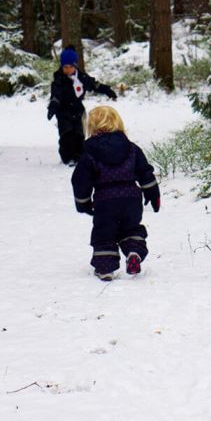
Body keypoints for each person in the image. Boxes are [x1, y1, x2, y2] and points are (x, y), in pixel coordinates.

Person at [71, 105, 160, 281]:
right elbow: (144, 171)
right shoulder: (131, 148)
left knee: (105, 232)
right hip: (131, 198)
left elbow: (80, 179)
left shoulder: (90, 152)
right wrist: (152, 193)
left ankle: (105, 268)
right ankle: (133, 251)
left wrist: (83, 202)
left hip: (105, 200)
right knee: (131, 229)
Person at [47, 46, 118, 165]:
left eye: (70, 67)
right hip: (63, 112)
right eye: (65, 67)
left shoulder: (81, 78)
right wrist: (52, 107)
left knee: (79, 134)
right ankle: (67, 157)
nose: (67, 70)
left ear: (75, 66)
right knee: (66, 134)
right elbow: (56, 96)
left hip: (78, 110)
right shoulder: (58, 80)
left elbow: (95, 85)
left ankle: (79, 156)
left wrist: (107, 90)